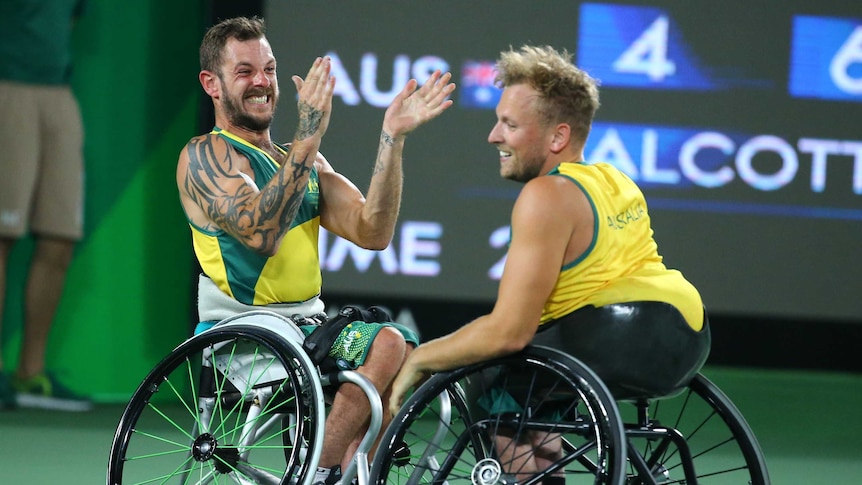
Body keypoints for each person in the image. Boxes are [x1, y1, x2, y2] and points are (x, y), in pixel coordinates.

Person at [389, 45, 710, 482]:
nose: (494, 136)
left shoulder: (545, 196)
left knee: (491, 375)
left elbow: (508, 332)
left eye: (510, 124)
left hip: (616, 338)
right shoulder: (615, 180)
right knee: (536, 381)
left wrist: (422, 358)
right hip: (686, 338)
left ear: (557, 137)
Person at [177, 16, 455, 485]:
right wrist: (308, 136)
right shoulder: (204, 155)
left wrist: (393, 139)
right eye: (244, 72)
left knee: (394, 373)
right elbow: (262, 233)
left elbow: (372, 231)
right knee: (387, 341)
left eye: (268, 68)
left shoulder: (299, 159)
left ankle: (343, 472)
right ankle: (316, 474)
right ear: (213, 83)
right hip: (245, 332)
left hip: (306, 327)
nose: (262, 82)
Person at [0, 0, 92, 412]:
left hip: (58, 91)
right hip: (6, 86)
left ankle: (29, 374)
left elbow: (67, 19)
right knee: (2, 236)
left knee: (60, 238)